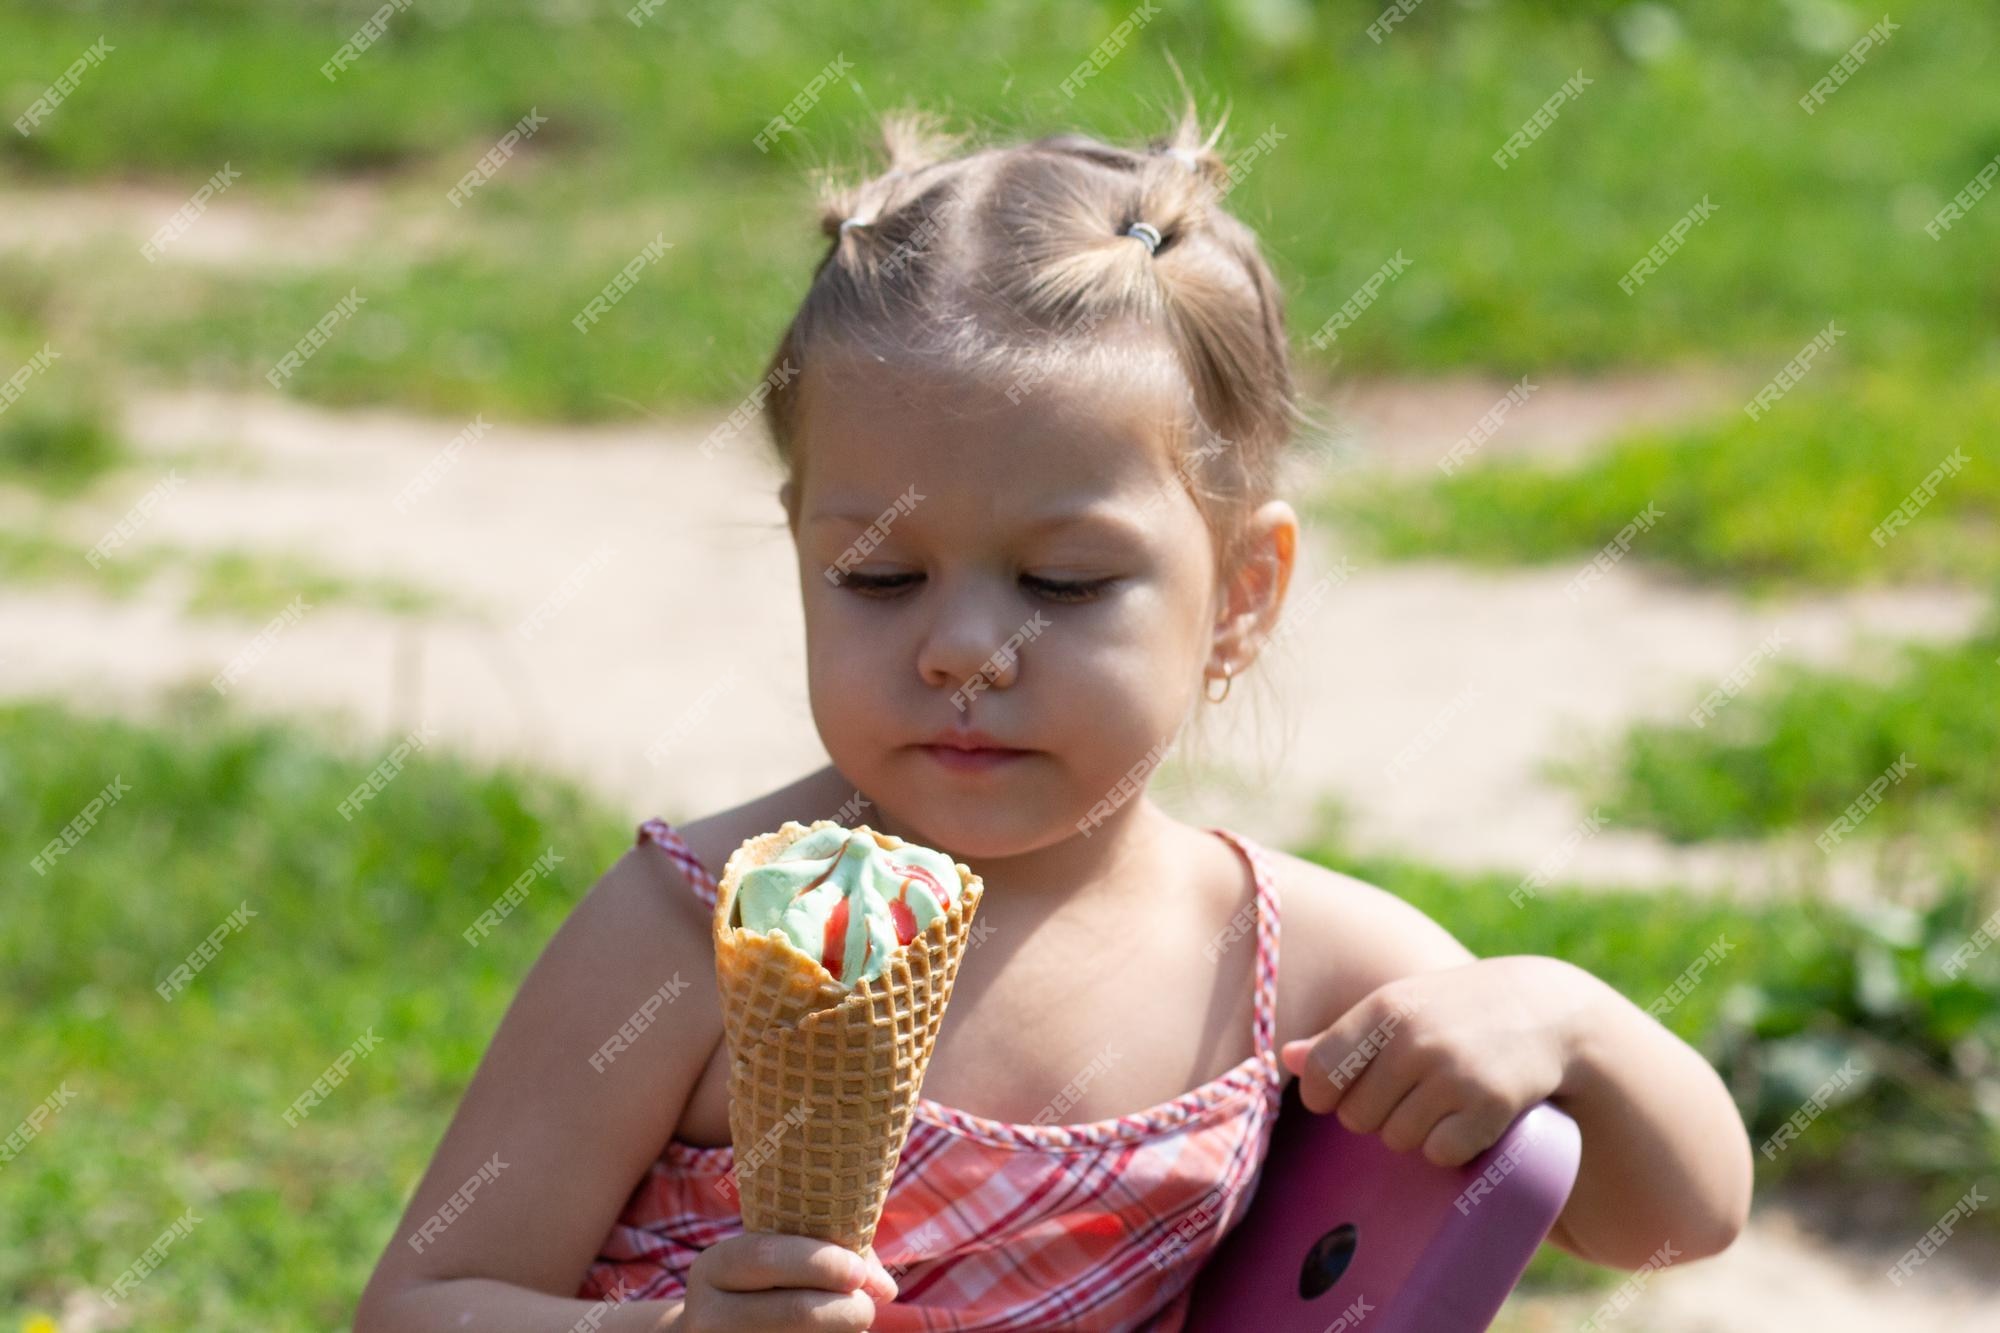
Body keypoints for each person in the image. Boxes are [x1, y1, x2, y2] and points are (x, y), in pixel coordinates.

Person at [355, 96, 1752, 1333]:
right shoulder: (694, 934)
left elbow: (1677, 1222)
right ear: (801, 551)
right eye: (881, 573)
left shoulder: (1292, 964)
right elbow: (423, 1301)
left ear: (1243, 593)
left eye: (1066, 584)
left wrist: (1569, 1020)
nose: (968, 648)